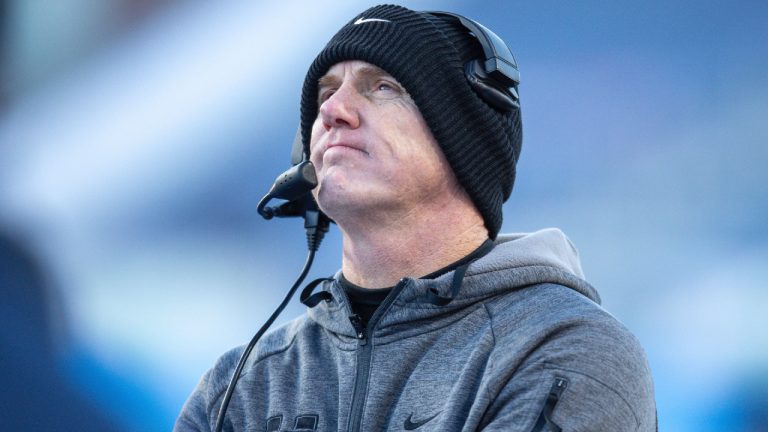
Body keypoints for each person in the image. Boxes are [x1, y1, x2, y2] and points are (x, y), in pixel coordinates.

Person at [175, 4, 656, 431]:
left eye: (383, 86)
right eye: (326, 93)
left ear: (465, 140)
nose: (334, 111)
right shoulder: (240, 385)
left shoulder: (567, 350)